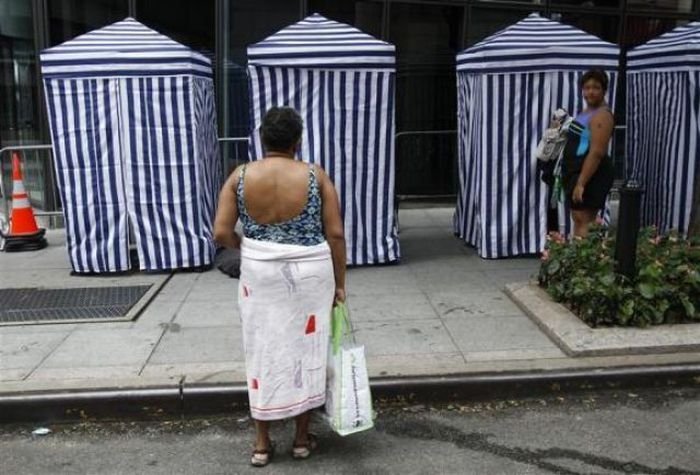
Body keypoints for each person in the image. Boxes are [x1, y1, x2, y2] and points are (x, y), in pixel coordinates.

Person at [213, 107, 346, 467]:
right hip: (311, 273)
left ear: (262, 139)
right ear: (297, 140)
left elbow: (221, 233)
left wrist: (251, 248)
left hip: (261, 274)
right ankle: (302, 440)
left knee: (262, 348)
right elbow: (335, 233)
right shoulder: (315, 175)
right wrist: (340, 284)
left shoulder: (240, 176)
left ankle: (261, 443)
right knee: (306, 348)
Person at [561, 69, 615, 237]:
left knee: (585, 219)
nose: (590, 92)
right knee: (577, 217)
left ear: (604, 90)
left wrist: (581, 183)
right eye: (586, 88)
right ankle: (576, 259)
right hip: (575, 171)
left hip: (591, 173)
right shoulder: (587, 112)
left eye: (595, 88)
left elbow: (597, 152)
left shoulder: (602, 116)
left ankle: (584, 261)